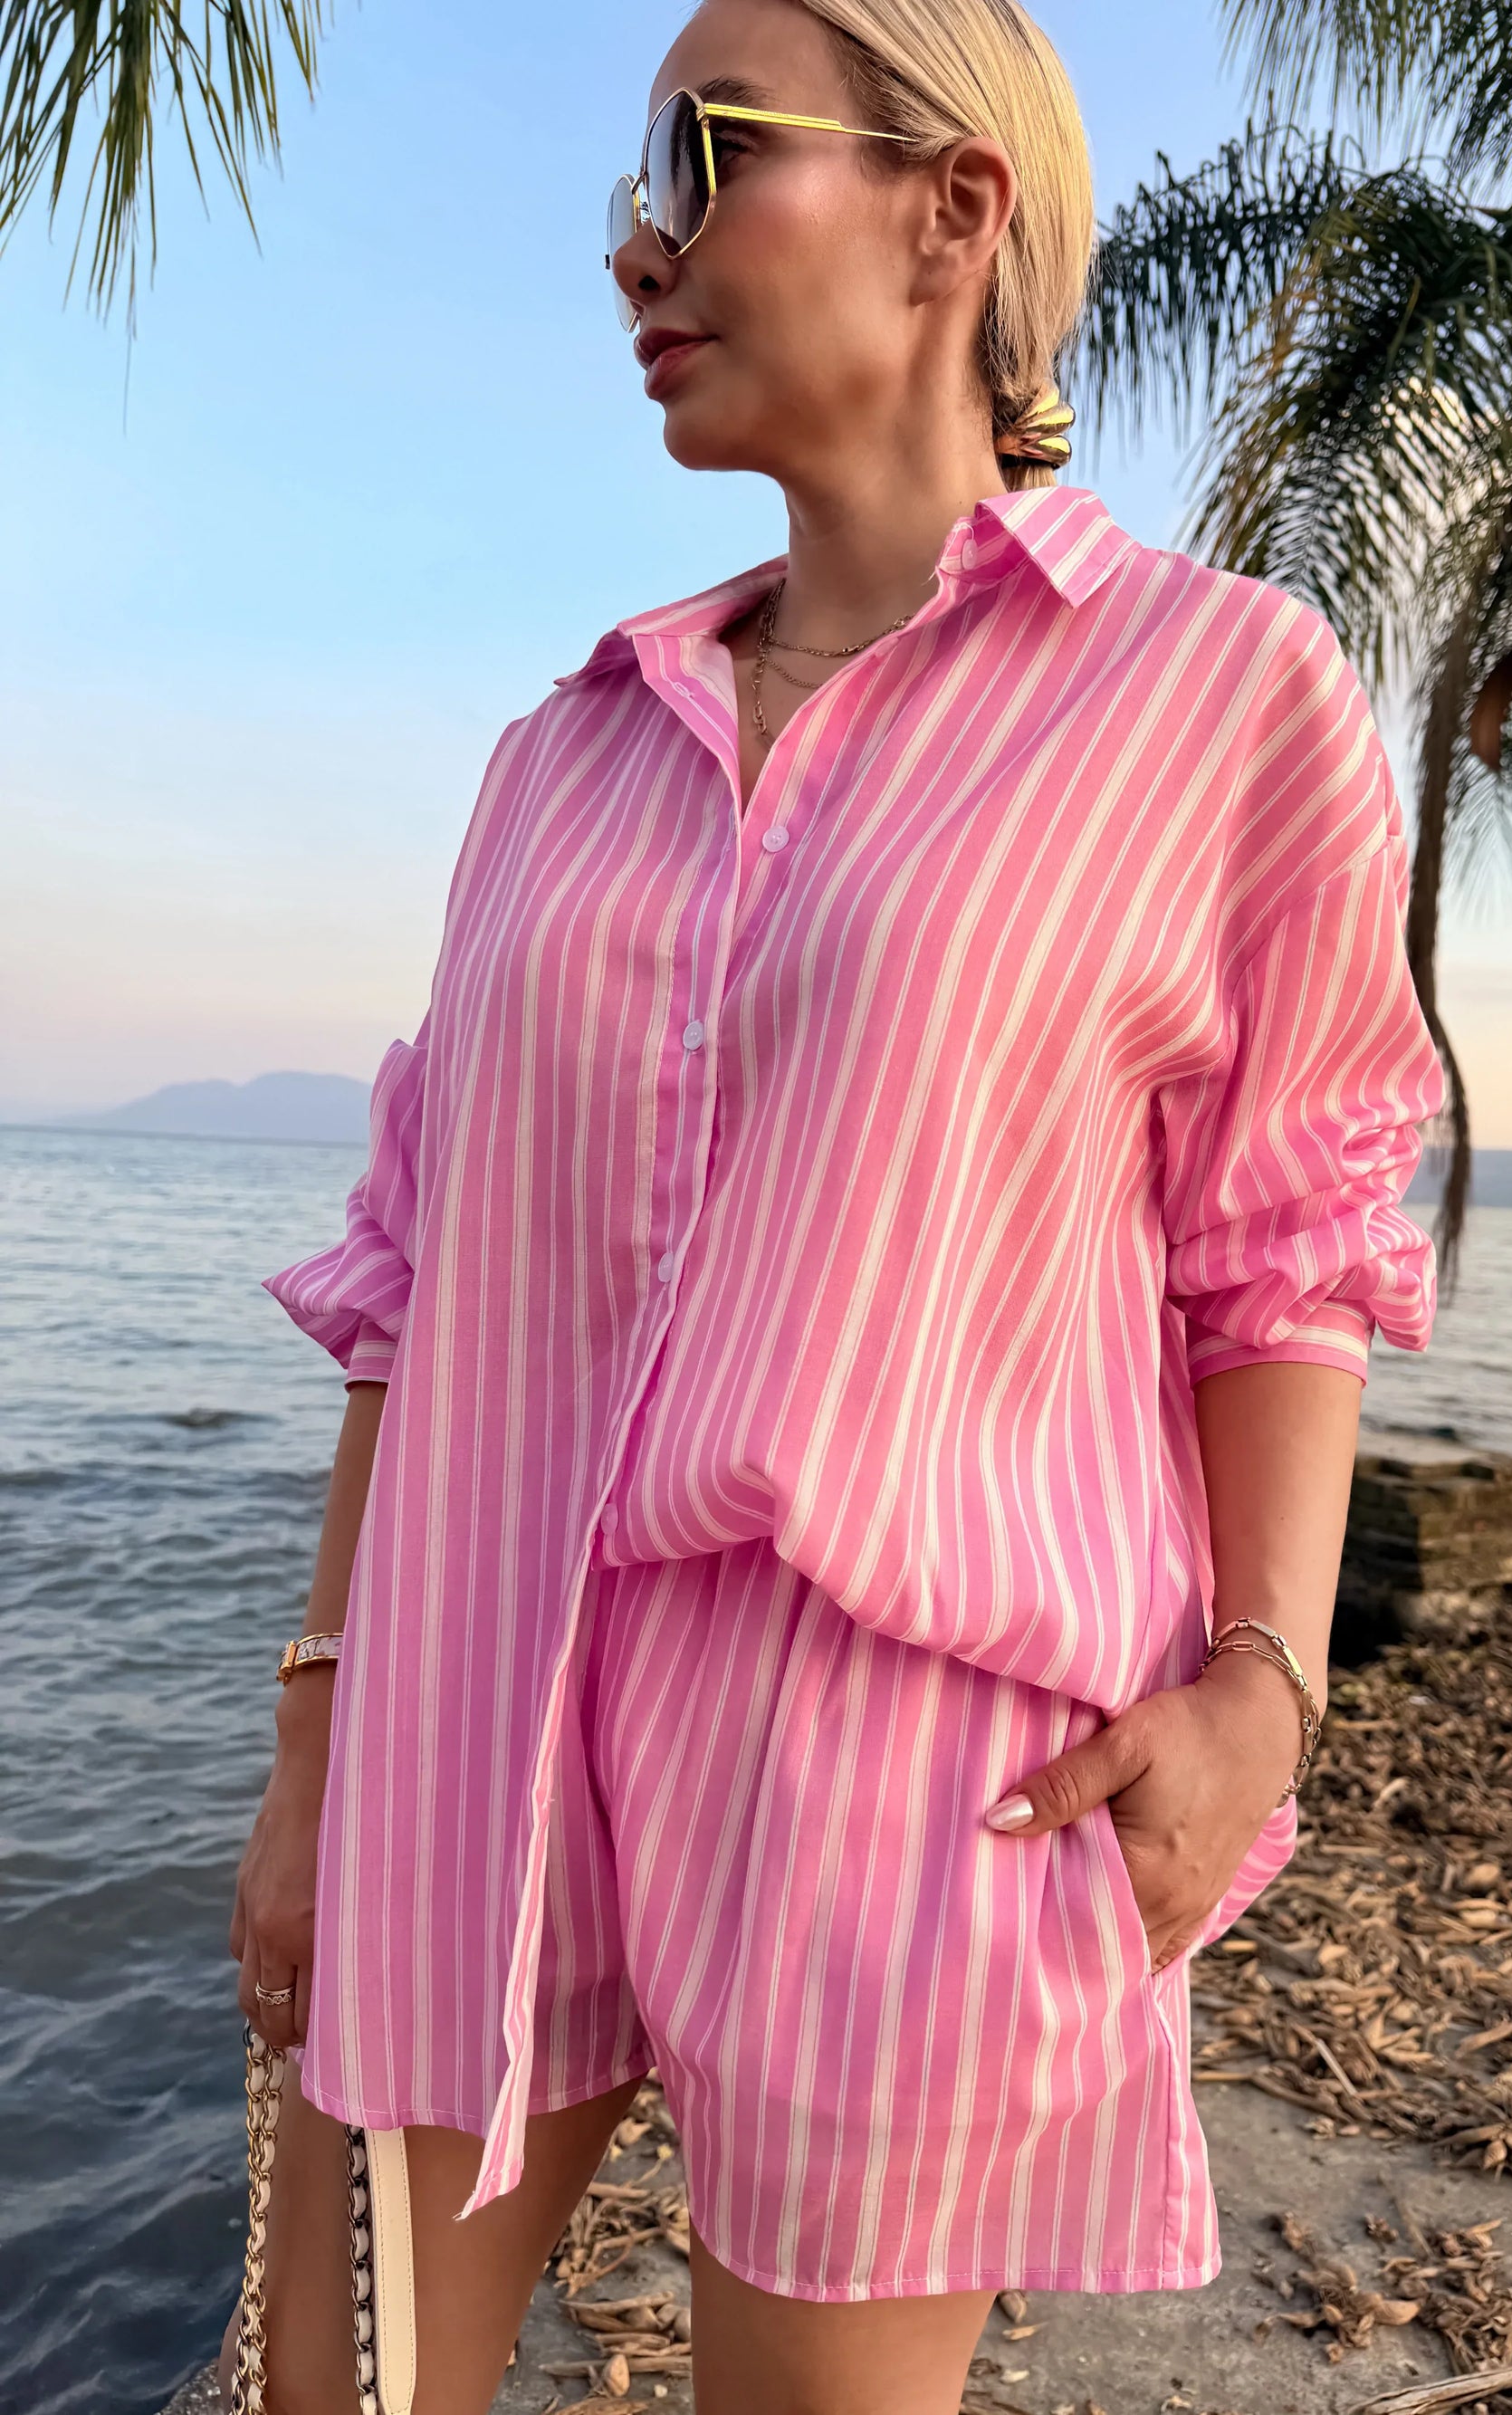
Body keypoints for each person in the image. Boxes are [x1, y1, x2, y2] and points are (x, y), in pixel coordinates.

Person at [223, 0, 1443, 2407]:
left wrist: (1264, 1690)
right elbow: (418, 1278)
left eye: (702, 156)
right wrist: (315, 1735)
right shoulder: (565, 749)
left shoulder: (1220, 700)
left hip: (912, 1756)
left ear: (952, 206)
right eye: (630, 191)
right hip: (469, 1695)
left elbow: (1282, 1243)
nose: (637, 245)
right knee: (335, 2393)